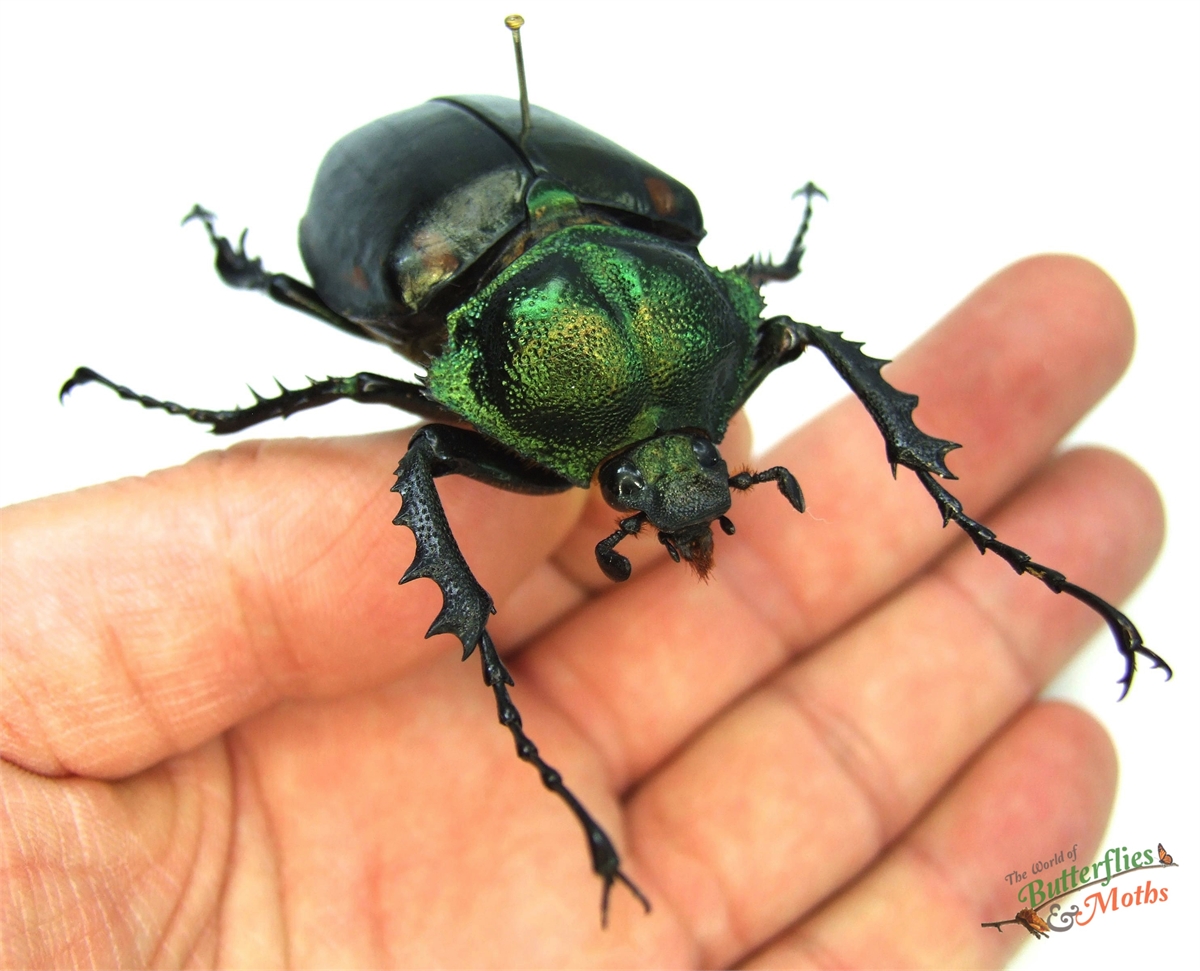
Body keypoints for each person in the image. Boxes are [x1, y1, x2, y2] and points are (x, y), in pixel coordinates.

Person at [0, 255, 1160, 967]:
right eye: (648, 494)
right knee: (384, 396)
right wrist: (488, 658)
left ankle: (967, 515)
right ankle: (256, 298)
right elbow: (411, 437)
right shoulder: (493, 383)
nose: (687, 512)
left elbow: (763, 318)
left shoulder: (702, 340)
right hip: (432, 236)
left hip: (622, 242)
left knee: (770, 324)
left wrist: (965, 516)